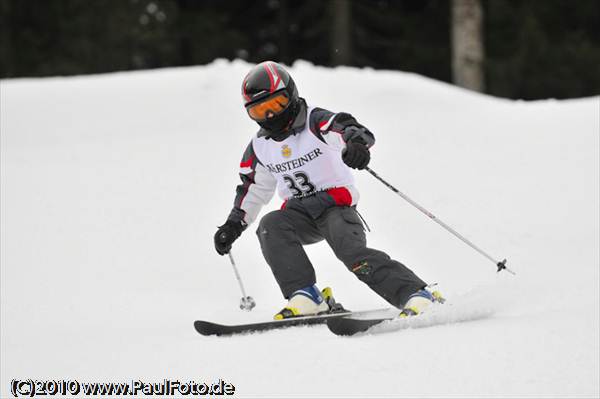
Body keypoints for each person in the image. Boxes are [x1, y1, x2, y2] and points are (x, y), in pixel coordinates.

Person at [214, 61, 442, 319]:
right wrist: (234, 225)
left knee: (352, 254)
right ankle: (306, 297)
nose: (270, 116)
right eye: (259, 111)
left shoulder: (314, 121)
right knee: (271, 225)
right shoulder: (260, 146)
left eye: (275, 105)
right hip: (299, 215)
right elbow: (252, 188)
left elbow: (347, 127)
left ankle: (417, 294)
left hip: (335, 207)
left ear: (291, 95)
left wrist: (356, 144)